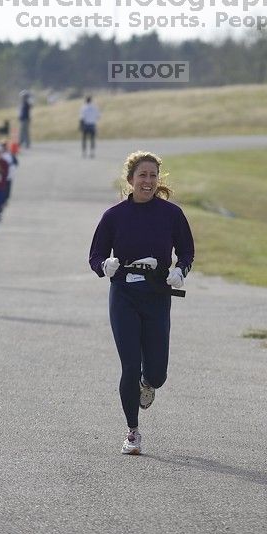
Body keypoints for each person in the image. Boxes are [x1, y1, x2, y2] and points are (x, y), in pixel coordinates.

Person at [89, 151, 195, 455]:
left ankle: (148, 384)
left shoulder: (171, 215)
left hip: (157, 296)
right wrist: (104, 266)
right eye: (142, 176)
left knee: (157, 374)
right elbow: (95, 256)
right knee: (129, 365)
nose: (147, 181)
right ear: (130, 180)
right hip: (123, 294)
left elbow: (187, 252)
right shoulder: (113, 216)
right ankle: (132, 431)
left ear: (158, 180)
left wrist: (179, 270)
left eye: (152, 176)